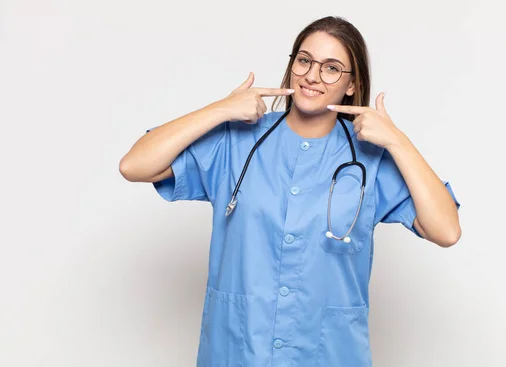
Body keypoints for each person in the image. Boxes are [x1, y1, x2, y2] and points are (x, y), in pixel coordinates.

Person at [120, 15, 461, 367]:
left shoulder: (370, 159)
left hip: (328, 355)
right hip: (237, 351)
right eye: (304, 60)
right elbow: (135, 165)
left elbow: (446, 230)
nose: (312, 75)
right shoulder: (235, 140)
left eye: (331, 68)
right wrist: (219, 110)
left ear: (351, 84)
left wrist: (399, 142)